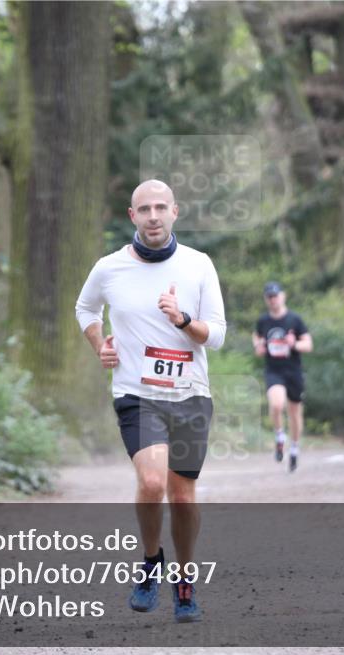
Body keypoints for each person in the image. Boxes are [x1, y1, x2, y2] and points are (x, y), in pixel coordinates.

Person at [75, 179, 226, 623]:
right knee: (153, 483)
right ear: (132, 216)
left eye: (161, 207)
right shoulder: (109, 267)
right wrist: (98, 341)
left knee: (181, 496)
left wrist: (182, 320)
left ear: (175, 212)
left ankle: (184, 579)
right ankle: (149, 561)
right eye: (145, 209)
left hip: (191, 395)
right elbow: (85, 309)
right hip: (137, 394)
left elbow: (216, 334)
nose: (154, 216)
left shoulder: (198, 265)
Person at [252, 282, 312, 472]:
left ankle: (294, 448)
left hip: (293, 371)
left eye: (275, 295)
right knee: (277, 404)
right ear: (266, 299)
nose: (273, 299)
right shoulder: (263, 321)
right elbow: (257, 339)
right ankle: (279, 436)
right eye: (269, 296)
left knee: (295, 413)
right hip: (274, 370)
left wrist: (294, 345)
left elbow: (308, 345)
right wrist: (258, 346)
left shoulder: (294, 320)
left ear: (283, 296)